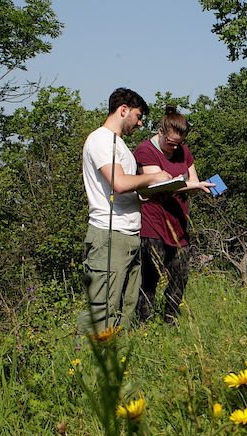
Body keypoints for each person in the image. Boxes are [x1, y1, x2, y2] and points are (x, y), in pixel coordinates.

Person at [77, 88, 172, 334]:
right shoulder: (100, 139)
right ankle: (86, 361)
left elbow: (129, 189)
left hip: (129, 233)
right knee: (102, 308)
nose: (140, 124)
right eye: (138, 116)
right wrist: (152, 178)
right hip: (109, 235)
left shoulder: (118, 144)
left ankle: (120, 360)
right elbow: (118, 183)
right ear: (123, 110)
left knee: (127, 307)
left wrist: (159, 186)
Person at [134, 106, 215, 323]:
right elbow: (158, 184)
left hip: (178, 223)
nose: (175, 147)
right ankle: (144, 325)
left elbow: (192, 179)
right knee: (150, 278)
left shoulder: (183, 150)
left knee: (180, 276)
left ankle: (170, 319)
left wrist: (198, 186)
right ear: (160, 132)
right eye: (171, 143)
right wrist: (189, 184)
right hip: (153, 223)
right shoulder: (145, 151)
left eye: (178, 143)